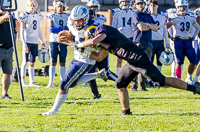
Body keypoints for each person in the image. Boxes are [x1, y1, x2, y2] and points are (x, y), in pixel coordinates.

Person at [60, 24, 200, 115]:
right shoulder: (101, 42)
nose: (94, 44)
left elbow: (95, 41)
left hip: (139, 59)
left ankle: (195, 89)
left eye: (91, 39)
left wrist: (81, 44)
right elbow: (98, 57)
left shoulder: (103, 29)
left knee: (161, 80)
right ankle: (126, 112)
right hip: (131, 61)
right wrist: (80, 49)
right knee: (120, 84)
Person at [39, 5, 108, 115]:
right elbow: (72, 37)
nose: (77, 23)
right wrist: (61, 38)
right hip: (76, 57)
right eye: (75, 21)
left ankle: (53, 111)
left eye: (80, 21)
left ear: (85, 18)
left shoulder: (94, 27)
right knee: (72, 83)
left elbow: (100, 44)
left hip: (86, 60)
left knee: (64, 85)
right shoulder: (70, 23)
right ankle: (98, 75)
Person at [86, 0, 118, 99]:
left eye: (95, 7)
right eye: (91, 7)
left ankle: (121, 81)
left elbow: (97, 26)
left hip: (101, 46)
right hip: (91, 48)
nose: (93, 9)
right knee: (90, 74)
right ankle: (96, 95)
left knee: (105, 72)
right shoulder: (85, 18)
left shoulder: (101, 18)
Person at [167, 0, 200, 83]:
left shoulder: (191, 17)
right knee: (178, 61)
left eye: (184, 7)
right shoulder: (174, 17)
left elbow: (197, 27)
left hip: (188, 41)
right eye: (180, 7)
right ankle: (179, 80)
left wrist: (193, 36)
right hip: (178, 42)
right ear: (177, 7)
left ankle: (189, 78)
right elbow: (165, 27)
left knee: (193, 60)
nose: (182, 8)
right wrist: (170, 36)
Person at [130, 0, 157, 91]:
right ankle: (133, 86)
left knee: (145, 66)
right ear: (135, 5)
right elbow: (141, 28)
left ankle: (142, 87)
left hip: (149, 43)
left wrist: (148, 25)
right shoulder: (135, 14)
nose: (140, 5)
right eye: (138, 4)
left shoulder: (148, 16)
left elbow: (156, 28)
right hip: (139, 42)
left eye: (142, 3)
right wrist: (150, 25)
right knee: (135, 65)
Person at [18, 0, 45, 87]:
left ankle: (31, 82)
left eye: (33, 5)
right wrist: (24, 44)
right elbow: (21, 31)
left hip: (34, 42)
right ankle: (23, 81)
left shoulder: (38, 15)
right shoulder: (24, 15)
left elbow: (39, 29)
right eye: (30, 5)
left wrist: (42, 41)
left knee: (32, 62)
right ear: (27, 6)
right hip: (27, 41)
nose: (32, 7)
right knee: (25, 61)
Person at [46, 0, 70, 88]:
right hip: (54, 40)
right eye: (58, 6)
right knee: (53, 61)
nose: (59, 8)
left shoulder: (67, 16)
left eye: (61, 6)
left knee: (63, 61)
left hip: (64, 40)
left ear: (64, 7)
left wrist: (62, 30)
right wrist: (63, 29)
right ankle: (50, 82)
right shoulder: (51, 15)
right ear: (55, 7)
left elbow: (70, 28)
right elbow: (51, 29)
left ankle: (62, 81)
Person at [111, 0, 134, 76]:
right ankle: (118, 76)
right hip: (121, 38)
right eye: (123, 2)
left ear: (130, 2)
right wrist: (117, 30)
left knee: (129, 59)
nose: (124, 4)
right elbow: (113, 27)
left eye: (126, 2)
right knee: (120, 59)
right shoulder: (116, 12)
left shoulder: (133, 12)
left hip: (131, 37)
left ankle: (127, 76)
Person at [149, 0, 170, 72]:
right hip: (150, 41)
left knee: (160, 61)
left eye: (154, 6)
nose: (152, 7)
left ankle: (158, 78)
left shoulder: (162, 16)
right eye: (151, 5)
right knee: (150, 62)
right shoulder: (147, 16)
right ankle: (149, 79)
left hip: (160, 42)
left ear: (157, 6)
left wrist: (167, 41)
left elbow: (165, 29)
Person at [0, 10, 17, 99]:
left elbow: (15, 30)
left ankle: (4, 94)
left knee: (7, 73)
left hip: (9, 49)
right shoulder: (3, 15)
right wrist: (3, 17)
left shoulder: (11, 16)